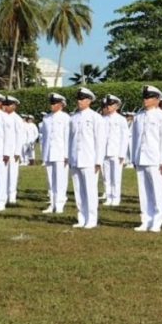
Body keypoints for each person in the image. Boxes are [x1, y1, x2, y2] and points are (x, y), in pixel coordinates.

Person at [129, 85, 162, 232]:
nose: (145, 100)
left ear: (156, 100)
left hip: (155, 159)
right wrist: (134, 158)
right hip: (141, 158)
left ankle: (157, 220)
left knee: (157, 191)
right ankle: (145, 220)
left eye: (148, 97)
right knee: (144, 191)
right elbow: (135, 139)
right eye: (144, 97)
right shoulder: (139, 117)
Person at [68, 87, 107, 229]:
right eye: (78, 99)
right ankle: (81, 217)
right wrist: (69, 157)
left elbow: (100, 141)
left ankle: (91, 218)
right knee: (78, 190)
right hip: (75, 157)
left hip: (89, 159)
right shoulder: (73, 118)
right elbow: (70, 140)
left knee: (90, 190)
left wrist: (98, 160)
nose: (80, 101)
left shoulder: (96, 118)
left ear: (89, 100)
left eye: (83, 99)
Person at [39, 93, 71, 214]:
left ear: (60, 104)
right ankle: (52, 203)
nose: (51, 105)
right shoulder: (46, 118)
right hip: (49, 152)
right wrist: (44, 153)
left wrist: (67, 154)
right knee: (50, 180)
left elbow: (67, 137)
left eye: (54, 103)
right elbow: (46, 138)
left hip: (61, 153)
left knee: (60, 179)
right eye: (51, 103)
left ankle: (60, 203)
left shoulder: (65, 117)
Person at [99, 94, 128, 207]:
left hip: (116, 152)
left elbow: (124, 137)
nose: (108, 107)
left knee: (115, 177)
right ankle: (109, 196)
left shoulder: (121, 119)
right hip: (104, 152)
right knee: (106, 176)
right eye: (108, 105)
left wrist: (122, 153)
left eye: (111, 105)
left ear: (116, 106)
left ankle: (116, 197)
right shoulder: (103, 119)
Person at [3, 97, 26, 205]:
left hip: (12, 151)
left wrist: (17, 152)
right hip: (2, 151)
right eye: (5, 104)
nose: (6, 106)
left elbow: (20, 136)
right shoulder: (2, 117)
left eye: (8, 104)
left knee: (12, 173)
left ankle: (12, 196)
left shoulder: (17, 119)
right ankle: (3, 194)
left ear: (14, 106)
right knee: (3, 174)